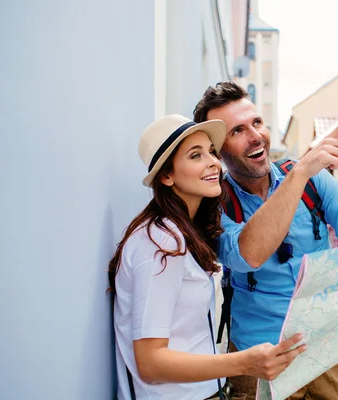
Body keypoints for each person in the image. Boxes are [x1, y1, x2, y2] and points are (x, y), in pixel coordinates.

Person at [193, 82, 338, 400]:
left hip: (326, 345)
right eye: (237, 131)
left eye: (257, 123)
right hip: (259, 356)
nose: (255, 136)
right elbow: (246, 256)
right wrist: (299, 172)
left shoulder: (315, 180)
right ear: (218, 153)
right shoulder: (214, 203)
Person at [108, 114, 306, 400]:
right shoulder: (161, 242)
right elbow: (150, 363)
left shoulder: (184, 233)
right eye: (196, 155)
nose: (213, 162)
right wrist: (244, 362)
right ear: (167, 175)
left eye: (212, 152)